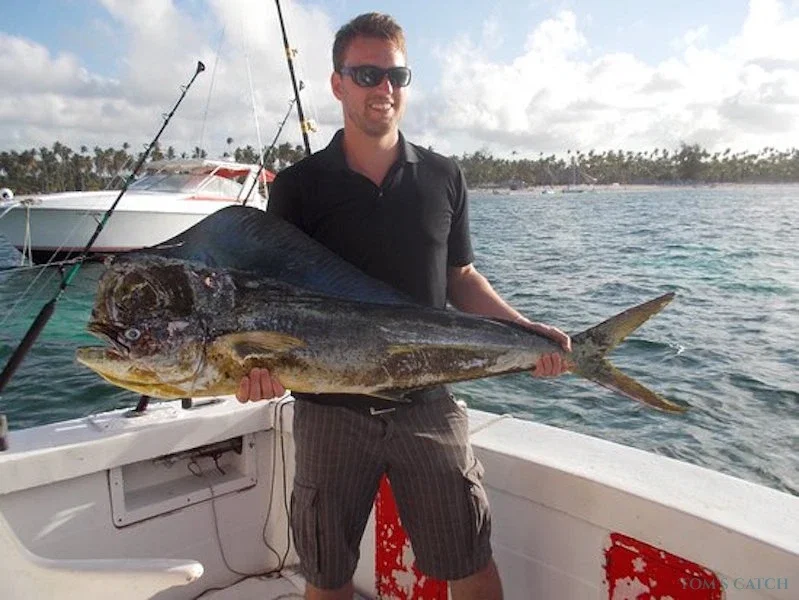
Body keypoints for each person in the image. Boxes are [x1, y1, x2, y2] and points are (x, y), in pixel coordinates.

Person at [237, 12, 570, 600]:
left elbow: (460, 277)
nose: (383, 88)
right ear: (338, 83)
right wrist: (252, 371)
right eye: (366, 75)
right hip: (329, 413)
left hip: (428, 404)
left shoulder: (443, 176)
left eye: (396, 75)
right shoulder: (296, 188)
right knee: (326, 576)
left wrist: (523, 331)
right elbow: (270, 302)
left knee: (470, 563)